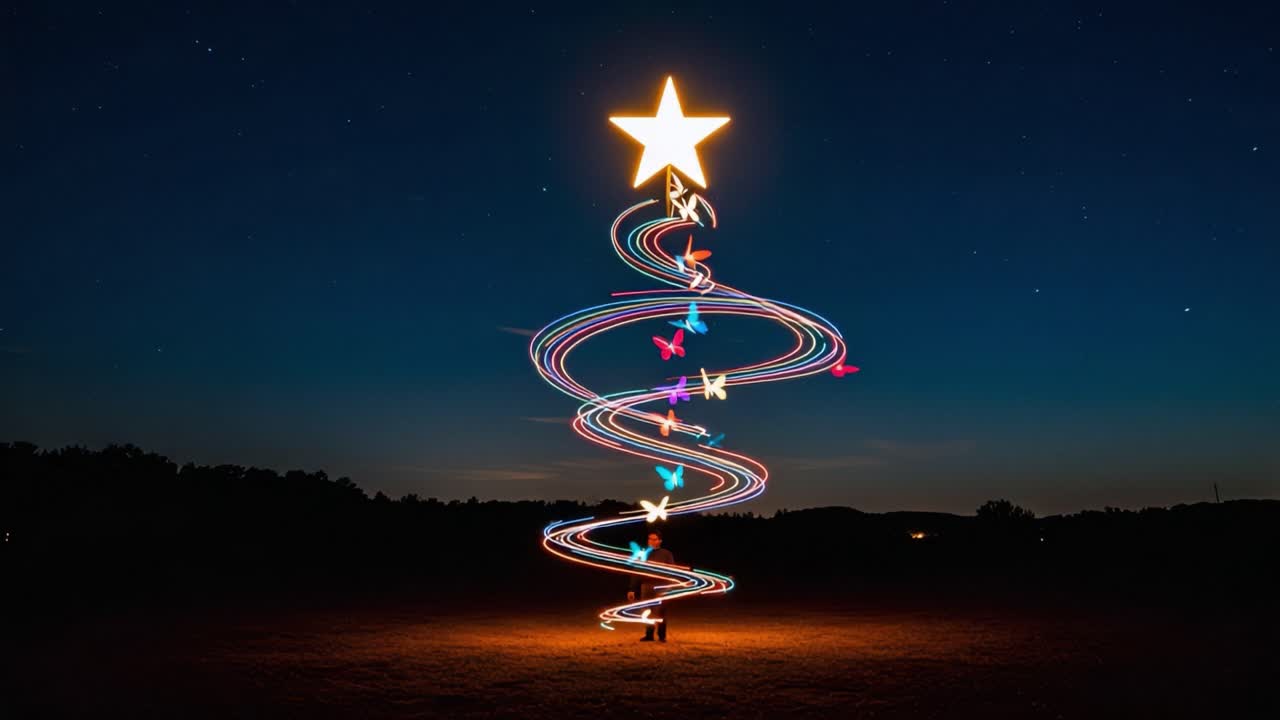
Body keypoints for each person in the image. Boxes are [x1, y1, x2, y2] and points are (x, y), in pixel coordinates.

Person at [626, 530, 674, 642]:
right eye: (649, 539)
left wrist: (668, 587)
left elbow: (672, 571)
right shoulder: (644, 554)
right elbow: (637, 571)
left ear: (660, 541)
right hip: (646, 586)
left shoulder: (666, 554)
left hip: (660, 586)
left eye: (654, 539)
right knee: (647, 610)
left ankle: (662, 636)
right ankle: (649, 635)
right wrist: (632, 589)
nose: (651, 541)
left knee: (660, 611)